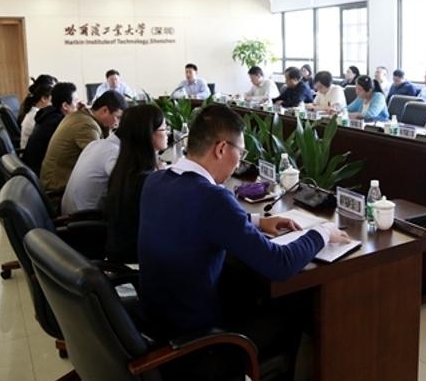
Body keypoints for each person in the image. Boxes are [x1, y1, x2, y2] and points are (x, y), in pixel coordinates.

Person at [138, 103, 349, 380]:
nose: (239, 162)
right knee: (294, 307)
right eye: (241, 152)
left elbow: (191, 218)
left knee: (245, 284)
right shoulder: (212, 198)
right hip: (200, 339)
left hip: (158, 323)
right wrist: (323, 232)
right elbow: (279, 264)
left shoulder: (156, 180)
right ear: (221, 149)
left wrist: (257, 221)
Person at [105, 104, 168, 263]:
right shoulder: (147, 181)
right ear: (149, 135)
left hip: (121, 255)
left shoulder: (124, 170)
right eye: (164, 128)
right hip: (138, 262)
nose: (167, 133)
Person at [40, 91, 126, 200]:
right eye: (117, 117)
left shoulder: (81, 116)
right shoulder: (87, 126)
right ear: (104, 110)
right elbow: (100, 159)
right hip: (57, 190)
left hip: (56, 182)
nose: (117, 123)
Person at [23, 82, 79, 175]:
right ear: (65, 106)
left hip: (34, 167)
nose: (78, 105)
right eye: (76, 101)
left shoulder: (49, 114)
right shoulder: (57, 123)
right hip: (42, 172)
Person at [60, 131, 120, 216]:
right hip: (84, 218)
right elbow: (125, 186)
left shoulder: (95, 144)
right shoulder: (113, 152)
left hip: (70, 213)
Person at [19, 83, 52, 150]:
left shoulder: (35, 111)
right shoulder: (36, 115)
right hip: (29, 153)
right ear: (44, 98)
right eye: (52, 100)